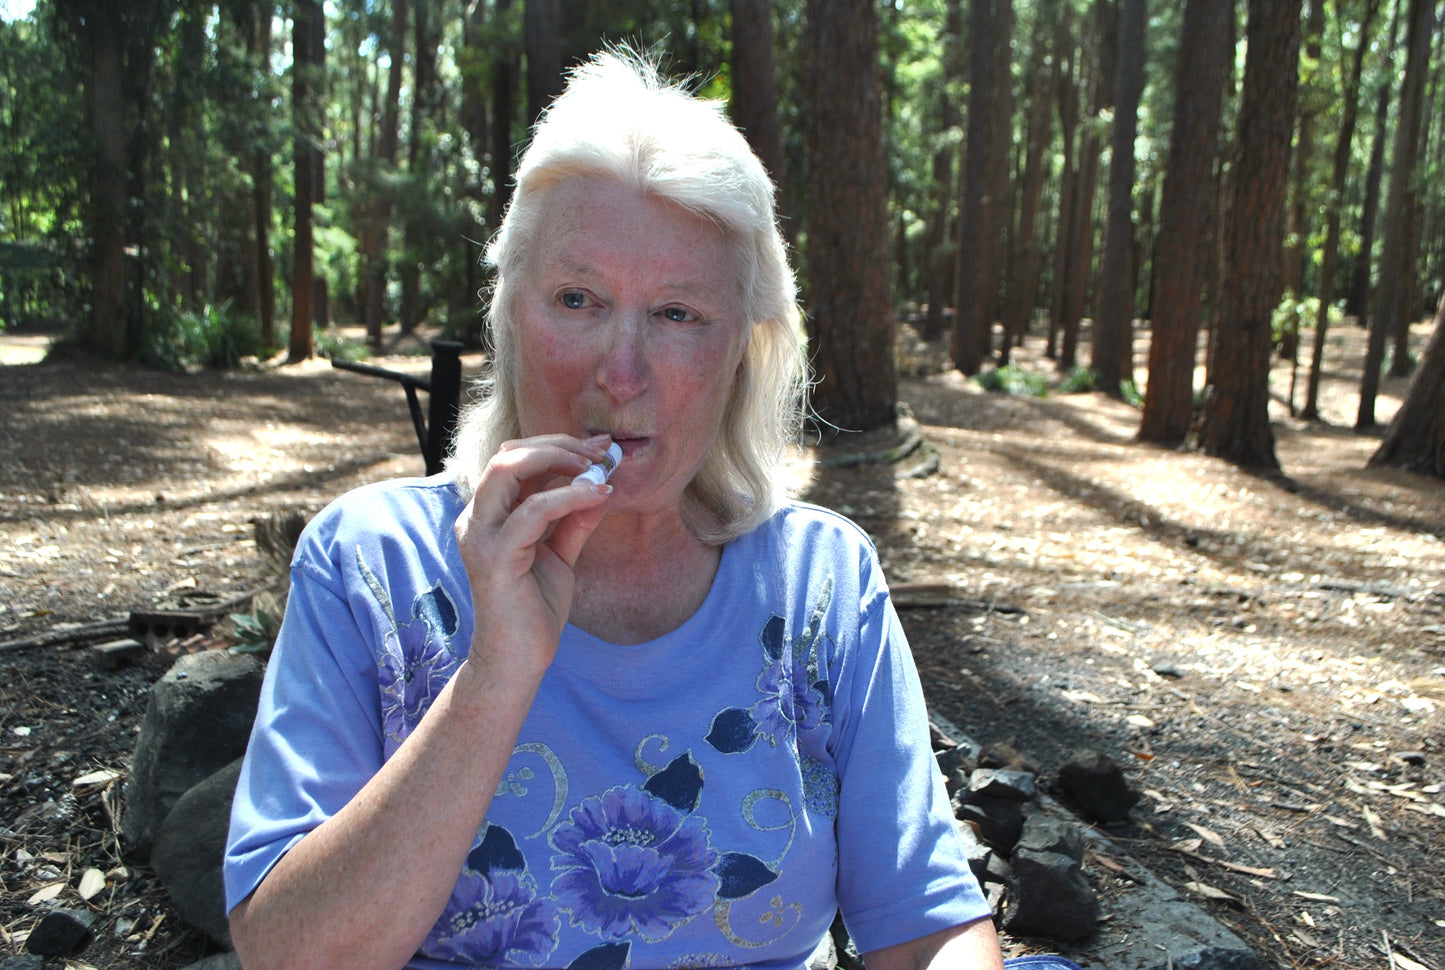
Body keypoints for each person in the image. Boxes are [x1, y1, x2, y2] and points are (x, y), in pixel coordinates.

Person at [225, 50, 1010, 970]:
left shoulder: (819, 585)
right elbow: (288, 953)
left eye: (677, 314)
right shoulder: (368, 563)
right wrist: (494, 671)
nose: (621, 373)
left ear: (742, 352)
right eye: (576, 299)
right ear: (510, 311)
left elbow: (926, 926)